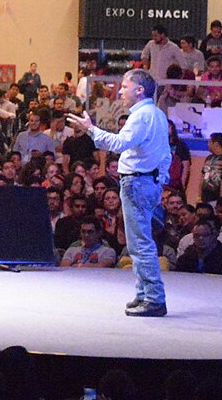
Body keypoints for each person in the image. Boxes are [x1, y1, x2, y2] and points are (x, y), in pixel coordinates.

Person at [68, 68, 171, 316]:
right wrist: (160, 180)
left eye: (125, 86)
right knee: (139, 242)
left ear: (139, 90)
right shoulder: (157, 115)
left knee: (140, 244)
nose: (120, 91)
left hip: (137, 183)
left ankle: (154, 299)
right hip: (147, 181)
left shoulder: (140, 116)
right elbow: (166, 154)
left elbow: (117, 144)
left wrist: (91, 129)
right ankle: (143, 294)